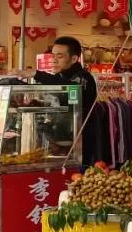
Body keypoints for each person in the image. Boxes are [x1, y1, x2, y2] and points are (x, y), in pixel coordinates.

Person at [32, 37, 98, 166]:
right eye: (53, 56)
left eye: (60, 56)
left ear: (74, 59)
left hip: (79, 143)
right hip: (58, 141)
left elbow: (71, 88)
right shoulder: (59, 76)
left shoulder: (83, 78)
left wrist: (36, 74)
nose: (54, 60)